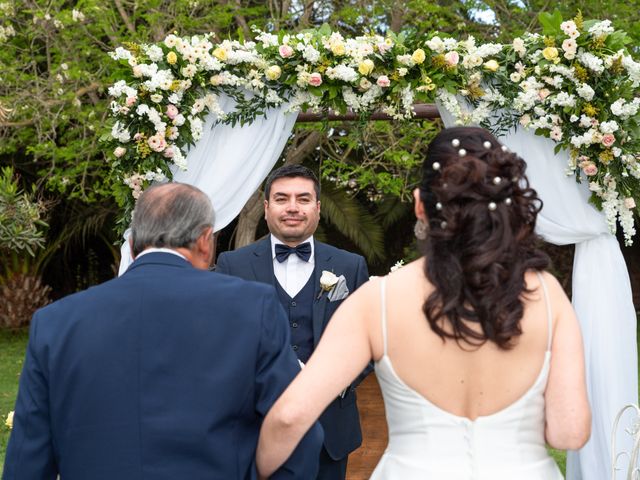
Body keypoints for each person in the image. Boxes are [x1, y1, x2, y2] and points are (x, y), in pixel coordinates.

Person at [255, 127, 591, 479]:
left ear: (419, 205)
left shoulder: (378, 300)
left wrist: (256, 470)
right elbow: (569, 431)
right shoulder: (547, 294)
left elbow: (290, 416)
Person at [2, 183, 323, 480]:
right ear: (204, 241)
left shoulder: (55, 322)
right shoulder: (254, 307)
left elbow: (28, 458)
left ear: (132, 243)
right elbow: (295, 423)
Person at [216, 164, 370, 480]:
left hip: (331, 430)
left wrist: (334, 384)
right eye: (282, 198)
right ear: (266, 207)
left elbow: (369, 342)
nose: (292, 208)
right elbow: (221, 343)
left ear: (317, 207)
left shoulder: (350, 266)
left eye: (303, 199)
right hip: (255, 427)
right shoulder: (232, 265)